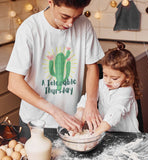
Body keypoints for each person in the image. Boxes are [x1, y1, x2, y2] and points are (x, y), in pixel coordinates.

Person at [6, 0, 104, 132]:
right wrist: (55, 111)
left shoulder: (85, 25)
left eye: (76, 17)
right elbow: (14, 83)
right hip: (36, 122)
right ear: (51, 2)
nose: (70, 24)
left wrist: (91, 103)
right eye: (65, 16)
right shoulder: (29, 29)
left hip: (72, 119)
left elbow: (92, 67)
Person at [75, 41, 141, 135]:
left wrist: (94, 134)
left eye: (114, 78)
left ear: (127, 77)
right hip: (108, 132)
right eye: (105, 75)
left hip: (127, 135)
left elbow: (114, 113)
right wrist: (80, 113)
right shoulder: (101, 83)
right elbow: (87, 97)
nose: (108, 81)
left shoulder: (126, 91)